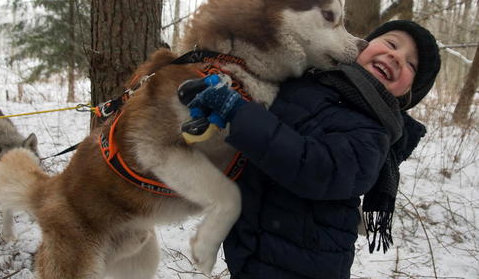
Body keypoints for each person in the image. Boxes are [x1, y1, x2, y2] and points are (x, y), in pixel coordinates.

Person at [186, 20, 441, 279]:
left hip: (303, 264)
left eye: (411, 64)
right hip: (253, 244)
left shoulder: (373, 133)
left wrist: (237, 112)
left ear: (408, 93)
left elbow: (315, 168)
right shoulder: (310, 80)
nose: (396, 56)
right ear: (363, 46)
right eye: (391, 43)